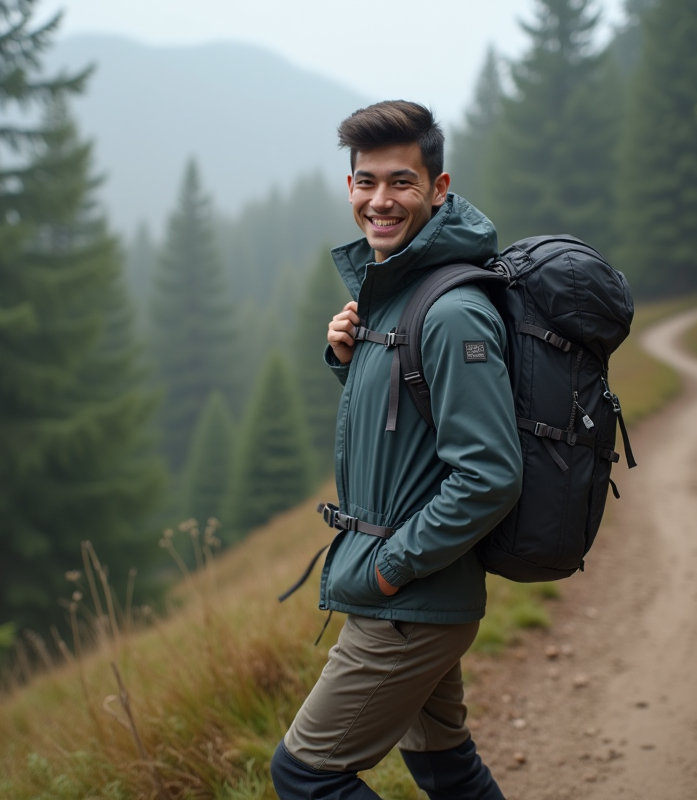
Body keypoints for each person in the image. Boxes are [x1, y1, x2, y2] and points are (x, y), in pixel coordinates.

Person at [270, 100, 522, 800]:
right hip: (415, 595)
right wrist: (350, 361)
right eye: (366, 181)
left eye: (401, 182)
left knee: (306, 776)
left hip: (408, 601)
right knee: (446, 768)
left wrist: (389, 568)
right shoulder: (398, 294)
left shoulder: (452, 313)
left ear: (438, 189)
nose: (380, 200)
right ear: (349, 186)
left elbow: (489, 475)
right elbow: (411, 427)